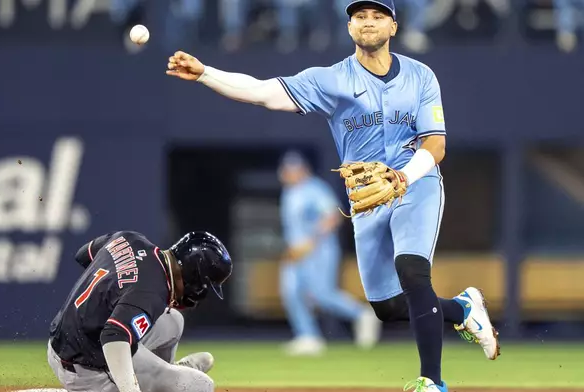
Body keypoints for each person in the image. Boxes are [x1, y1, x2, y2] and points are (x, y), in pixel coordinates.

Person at [166, 1, 501, 390]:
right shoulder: (330, 80)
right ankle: (462, 309)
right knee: (387, 308)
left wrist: (402, 178)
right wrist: (206, 73)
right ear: (349, 27)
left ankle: (432, 382)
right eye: (360, 16)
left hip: (416, 183)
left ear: (393, 26)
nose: (368, 22)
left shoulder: (421, 76)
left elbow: (435, 146)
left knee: (412, 271)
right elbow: (262, 92)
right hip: (368, 199)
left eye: (377, 16)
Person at [47, 230, 233, 392]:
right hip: (87, 368)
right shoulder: (152, 290)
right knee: (201, 385)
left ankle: (163, 375)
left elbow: (83, 255)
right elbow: (113, 336)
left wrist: (111, 291)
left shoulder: (130, 238)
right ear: (195, 276)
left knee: (174, 321)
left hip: (66, 342)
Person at [277, 150, 381, 356]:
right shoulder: (289, 193)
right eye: (287, 170)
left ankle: (362, 314)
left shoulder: (315, 189)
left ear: (303, 169)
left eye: (293, 169)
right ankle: (308, 336)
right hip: (296, 253)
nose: (289, 173)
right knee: (291, 291)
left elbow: (333, 217)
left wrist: (311, 242)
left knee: (321, 294)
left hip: (319, 250)